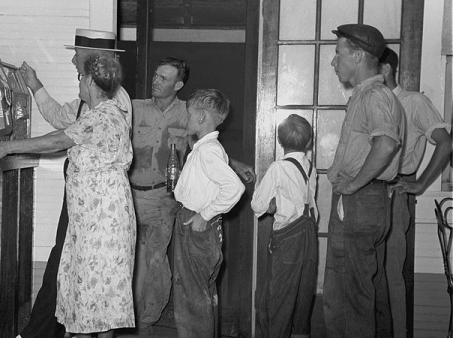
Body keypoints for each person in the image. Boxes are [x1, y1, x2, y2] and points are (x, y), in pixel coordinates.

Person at [0, 54, 136, 338]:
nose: (79, 82)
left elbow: (58, 140)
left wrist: (7, 147)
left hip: (103, 222)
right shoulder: (96, 111)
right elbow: (62, 128)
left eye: (80, 77)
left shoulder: (105, 115)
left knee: (96, 295)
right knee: (90, 296)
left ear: (90, 80)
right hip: (91, 219)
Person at [16, 29, 132, 338]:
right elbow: (60, 118)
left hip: (100, 210)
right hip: (87, 207)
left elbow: (61, 137)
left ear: (95, 68)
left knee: (87, 281)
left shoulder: (111, 103)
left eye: (78, 54)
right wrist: (35, 84)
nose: (72, 60)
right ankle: (55, 329)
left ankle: (46, 332)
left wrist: (7, 147)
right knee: (73, 271)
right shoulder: (94, 101)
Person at [129, 57, 254, 334]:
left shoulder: (191, 120)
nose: (156, 81)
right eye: (156, 75)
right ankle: (139, 320)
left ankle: (148, 321)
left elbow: (218, 170)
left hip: (173, 207)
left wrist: (205, 213)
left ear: (178, 84)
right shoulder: (135, 108)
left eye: (164, 78)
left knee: (177, 279)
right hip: (136, 198)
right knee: (185, 284)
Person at [323, 24, 405, 337]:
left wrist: (355, 184)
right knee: (354, 292)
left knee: (349, 297)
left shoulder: (375, 95)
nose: (334, 62)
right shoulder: (366, 95)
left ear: (357, 55)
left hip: (361, 200)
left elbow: (386, 144)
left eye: (338, 54)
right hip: (362, 200)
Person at [378, 47, 452, 337]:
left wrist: (420, 184)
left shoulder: (414, 102)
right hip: (369, 193)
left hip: (396, 190)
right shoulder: (373, 103)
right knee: (368, 274)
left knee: (391, 273)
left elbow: (445, 143)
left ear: (385, 70)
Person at [171, 89, 245, 338]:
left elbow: (235, 187)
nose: (186, 118)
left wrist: (205, 215)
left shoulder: (208, 151)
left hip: (196, 225)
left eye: (190, 114)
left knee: (192, 300)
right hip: (192, 220)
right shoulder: (204, 147)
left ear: (202, 117)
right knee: (199, 295)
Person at [251, 114, 318, 338]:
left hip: (288, 238)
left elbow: (257, 204)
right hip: (309, 237)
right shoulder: (310, 168)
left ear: (280, 142)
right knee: (303, 295)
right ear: (308, 142)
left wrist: (271, 207)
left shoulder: (278, 168)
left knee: (278, 297)